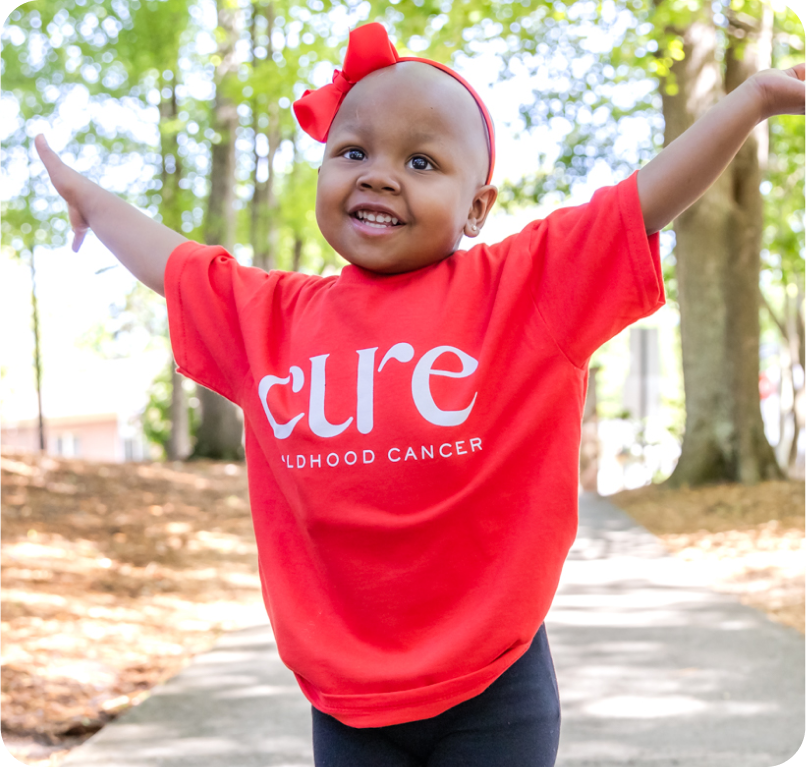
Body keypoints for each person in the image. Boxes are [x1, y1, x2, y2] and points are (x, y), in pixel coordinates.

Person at [35, 21, 806, 767]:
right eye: (353, 150)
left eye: (422, 162)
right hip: (346, 699)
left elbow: (641, 201)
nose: (379, 173)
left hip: (494, 685)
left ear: (478, 207)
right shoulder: (270, 317)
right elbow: (175, 264)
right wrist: (92, 201)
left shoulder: (523, 290)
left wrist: (754, 101)